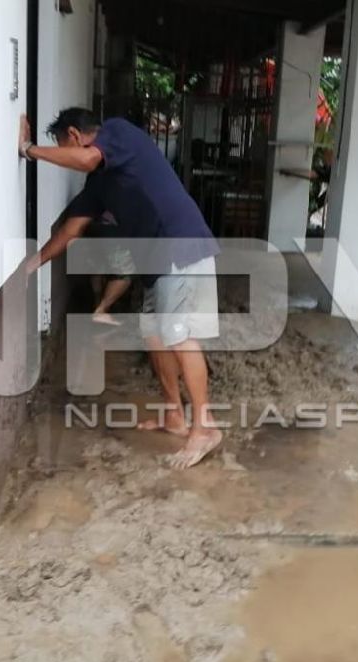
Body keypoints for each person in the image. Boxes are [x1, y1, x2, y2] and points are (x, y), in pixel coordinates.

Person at [19, 108, 223, 469]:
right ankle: (175, 416)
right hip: (155, 262)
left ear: (75, 135)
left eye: (63, 146)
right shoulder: (98, 185)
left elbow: (86, 159)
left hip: (180, 247)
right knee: (155, 337)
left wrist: (28, 150)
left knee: (179, 336)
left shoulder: (119, 132)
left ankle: (205, 428)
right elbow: (70, 231)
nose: (65, 155)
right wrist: (31, 266)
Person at [86, 211, 133, 326]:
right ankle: (101, 310)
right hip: (114, 232)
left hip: (96, 226)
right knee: (124, 274)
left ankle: (97, 303)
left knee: (98, 268)